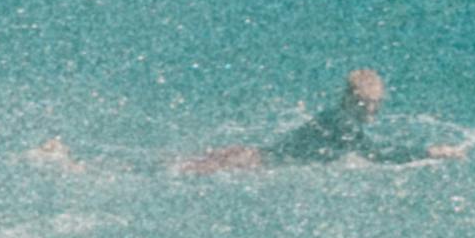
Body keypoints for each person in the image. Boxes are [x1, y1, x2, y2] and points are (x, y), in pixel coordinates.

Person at [175, 66, 459, 175]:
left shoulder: (338, 117)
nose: (372, 112)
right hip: (251, 162)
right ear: (348, 99)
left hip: (249, 155)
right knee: (172, 171)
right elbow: (376, 154)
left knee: (173, 165)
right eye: (366, 105)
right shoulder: (343, 123)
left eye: (377, 105)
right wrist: (430, 152)